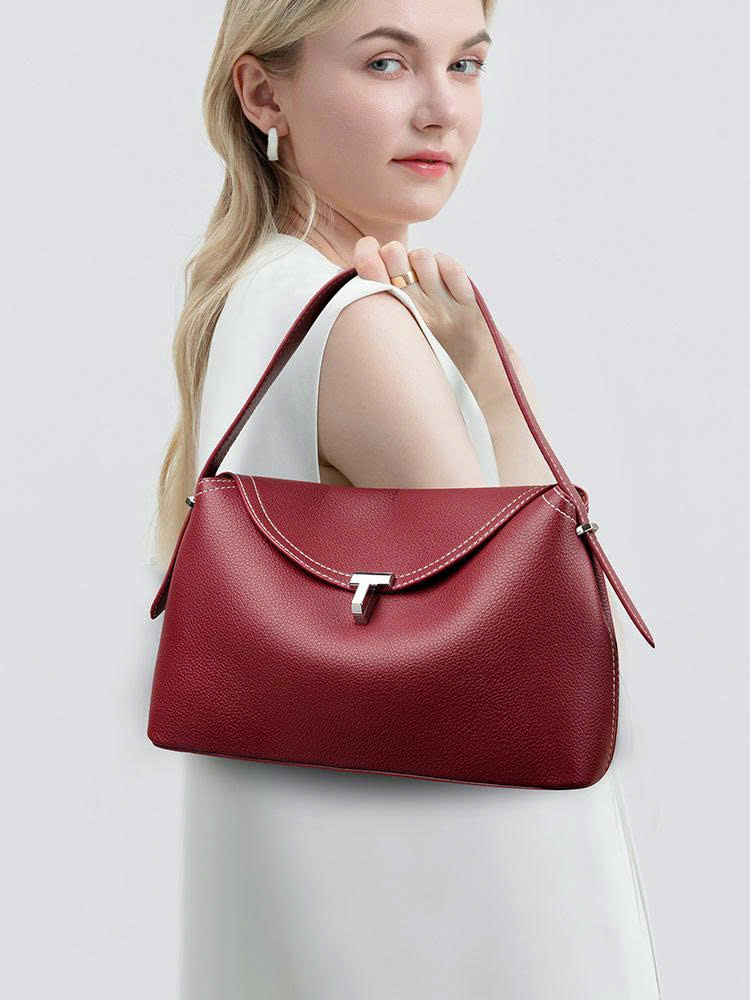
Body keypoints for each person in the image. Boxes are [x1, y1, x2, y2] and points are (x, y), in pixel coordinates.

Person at [151, 1, 662, 995]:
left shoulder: (257, 292)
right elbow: (522, 649)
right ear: (263, 94)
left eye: (466, 65)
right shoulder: (358, 323)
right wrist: (494, 383)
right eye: (386, 64)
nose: (441, 111)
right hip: (465, 922)